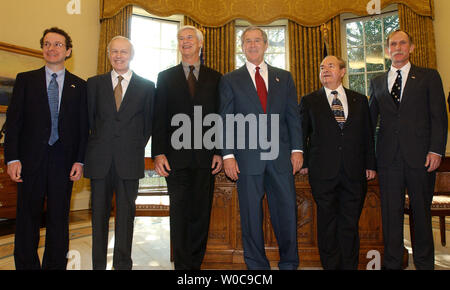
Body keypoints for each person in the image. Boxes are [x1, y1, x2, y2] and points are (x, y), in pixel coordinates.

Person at [4, 27, 88, 269]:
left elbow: (84, 129)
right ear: (43, 49)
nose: (52, 48)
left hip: (64, 163)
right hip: (29, 162)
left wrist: (80, 161)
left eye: (58, 44)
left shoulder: (80, 86)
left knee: (58, 220)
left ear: (68, 50)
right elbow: (14, 123)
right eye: (47, 44)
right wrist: (12, 159)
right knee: (27, 220)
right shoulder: (25, 80)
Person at [219, 26, 303, 270]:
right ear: (242, 47)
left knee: (286, 212)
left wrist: (297, 149)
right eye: (247, 41)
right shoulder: (230, 79)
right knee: (250, 216)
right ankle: (257, 267)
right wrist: (228, 155)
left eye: (257, 40)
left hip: (280, 158)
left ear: (266, 45)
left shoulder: (284, 77)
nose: (252, 45)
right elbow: (225, 120)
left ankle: (289, 263)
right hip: (246, 159)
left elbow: (292, 117)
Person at [369, 29, 448, 270]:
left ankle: (425, 265)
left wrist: (436, 150)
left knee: (421, 216)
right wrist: (369, 160)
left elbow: (439, 117)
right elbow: (370, 123)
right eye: (393, 44)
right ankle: (393, 264)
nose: (398, 47)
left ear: (411, 48)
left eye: (403, 43)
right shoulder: (377, 82)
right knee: (391, 216)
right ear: (386, 50)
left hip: (421, 159)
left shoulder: (428, 77)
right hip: (388, 160)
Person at [152, 26, 222, 270]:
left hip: (205, 159)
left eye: (189, 38)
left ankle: (196, 266)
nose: (185, 42)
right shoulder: (165, 77)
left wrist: (219, 151)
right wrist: (158, 153)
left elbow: (220, 117)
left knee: (201, 216)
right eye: (180, 38)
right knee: (179, 215)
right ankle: (182, 269)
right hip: (175, 159)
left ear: (200, 44)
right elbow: (158, 117)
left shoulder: (216, 77)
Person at [84, 36, 155, 270]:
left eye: (123, 52)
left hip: (129, 161)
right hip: (99, 161)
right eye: (114, 51)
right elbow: (88, 122)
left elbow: (147, 125)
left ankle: (122, 265)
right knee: (98, 219)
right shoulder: (93, 84)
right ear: (108, 54)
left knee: (125, 218)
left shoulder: (146, 87)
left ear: (131, 55)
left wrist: (131, 145)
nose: (118, 56)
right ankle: (97, 265)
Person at [299, 55, 376, 269]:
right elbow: (301, 133)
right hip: (323, 173)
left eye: (330, 66)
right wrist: (304, 161)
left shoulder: (360, 100)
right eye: (322, 66)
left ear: (342, 71)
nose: (325, 69)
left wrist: (370, 164)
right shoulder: (309, 100)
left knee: (349, 225)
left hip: (354, 172)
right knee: (327, 225)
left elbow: (367, 134)